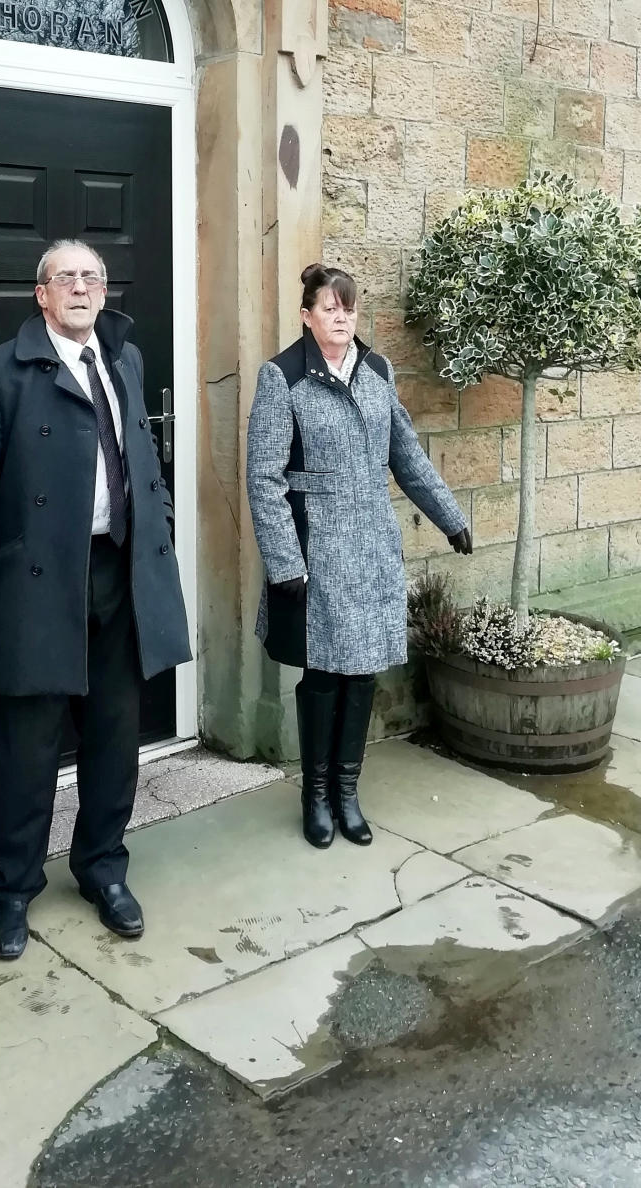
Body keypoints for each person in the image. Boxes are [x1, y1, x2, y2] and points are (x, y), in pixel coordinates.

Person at [0, 240, 191, 960]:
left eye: (92, 277)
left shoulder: (125, 358)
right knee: (27, 750)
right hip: (38, 585)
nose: (82, 287)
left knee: (116, 739)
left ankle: (101, 868)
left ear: (103, 292)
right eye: (67, 278)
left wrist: (161, 523)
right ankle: (14, 886)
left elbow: (141, 459)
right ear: (42, 296)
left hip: (119, 574)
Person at [246, 264, 471, 849]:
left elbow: (407, 454)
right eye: (328, 307)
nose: (341, 317)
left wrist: (451, 518)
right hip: (315, 548)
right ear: (307, 315)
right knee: (322, 675)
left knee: (363, 671)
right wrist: (284, 560)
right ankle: (314, 797)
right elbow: (264, 477)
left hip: (372, 546)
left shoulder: (377, 371)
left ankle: (347, 793)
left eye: (348, 307)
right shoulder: (283, 376)